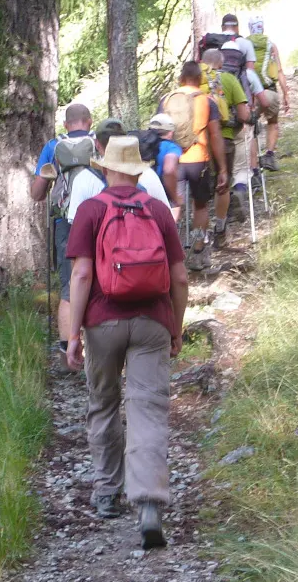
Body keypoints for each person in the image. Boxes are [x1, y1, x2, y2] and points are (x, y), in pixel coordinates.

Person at [65, 135, 189, 549]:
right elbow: (180, 277)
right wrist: (177, 326)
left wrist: (73, 335)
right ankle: (149, 503)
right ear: (137, 170)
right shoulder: (156, 209)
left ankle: (105, 493)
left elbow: (81, 276)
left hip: (102, 322)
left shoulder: (90, 210)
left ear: (105, 168)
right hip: (152, 321)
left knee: (103, 402)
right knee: (147, 408)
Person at [29, 102, 95, 354]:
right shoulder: (100, 142)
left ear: (66, 124)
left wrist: (47, 177)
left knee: (69, 288)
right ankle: (100, 351)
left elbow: (36, 194)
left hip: (64, 223)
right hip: (99, 219)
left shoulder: (53, 147)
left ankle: (68, 353)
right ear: (88, 121)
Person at [159, 61, 224, 272]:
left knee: (173, 205)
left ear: (180, 78)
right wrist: (222, 167)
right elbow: (215, 135)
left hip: (172, 158)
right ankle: (197, 251)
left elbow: (157, 132)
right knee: (201, 205)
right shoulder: (207, 101)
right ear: (199, 79)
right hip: (198, 158)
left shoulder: (166, 100)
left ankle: (165, 254)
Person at [201, 48, 250, 243]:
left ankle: (200, 238)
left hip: (197, 143)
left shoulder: (194, 82)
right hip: (224, 138)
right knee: (222, 185)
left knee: (201, 192)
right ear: (220, 63)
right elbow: (244, 115)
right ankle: (220, 230)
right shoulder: (229, 79)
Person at [245, 15, 292, 171]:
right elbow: (279, 72)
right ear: (262, 27)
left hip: (252, 96)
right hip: (270, 93)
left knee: (251, 126)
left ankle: (254, 166)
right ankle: (269, 155)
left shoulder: (244, 44)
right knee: (272, 122)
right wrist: (286, 94)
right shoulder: (271, 46)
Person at [145, 113, 183, 218]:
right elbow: (169, 170)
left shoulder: (141, 143)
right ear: (170, 133)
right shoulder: (171, 147)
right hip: (160, 193)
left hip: (138, 191)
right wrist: (175, 198)